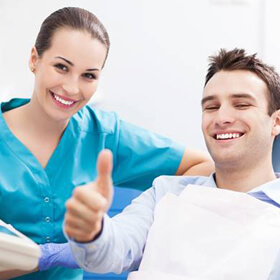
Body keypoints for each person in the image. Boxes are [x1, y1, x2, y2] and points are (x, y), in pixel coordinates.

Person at [0, 6, 214, 280]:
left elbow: (201, 166)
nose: (72, 88)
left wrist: (134, 227)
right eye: (61, 67)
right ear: (34, 59)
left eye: (88, 75)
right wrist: (39, 259)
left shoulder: (104, 134)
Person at [64, 48, 280, 279]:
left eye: (241, 105)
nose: (221, 118)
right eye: (211, 107)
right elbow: (115, 249)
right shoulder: (165, 193)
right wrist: (93, 231)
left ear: (276, 122)